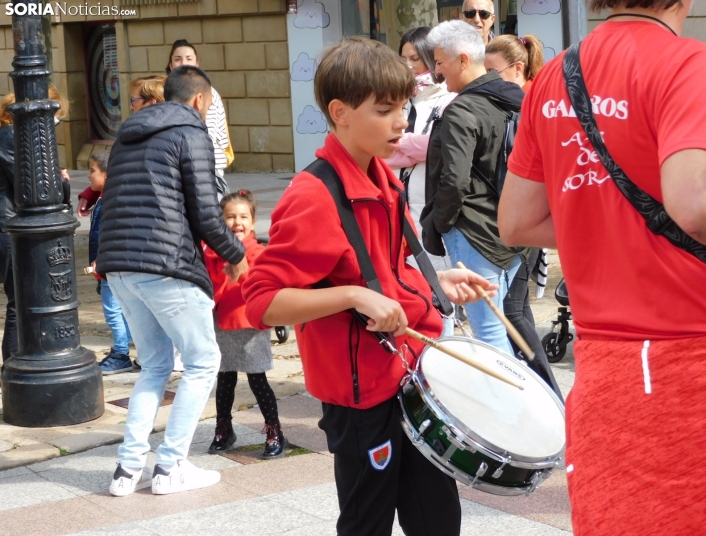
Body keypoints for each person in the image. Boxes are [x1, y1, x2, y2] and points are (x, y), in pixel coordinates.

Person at [243, 36, 497, 536]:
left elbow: (381, 270)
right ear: (340, 113)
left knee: (438, 517)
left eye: (403, 107)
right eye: (385, 110)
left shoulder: (385, 177)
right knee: (367, 523)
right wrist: (353, 297)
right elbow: (262, 303)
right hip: (360, 400)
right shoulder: (314, 196)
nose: (402, 121)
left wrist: (436, 279)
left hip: (411, 376)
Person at [498, 0, 706, 531]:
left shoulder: (554, 75)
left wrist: (606, 226)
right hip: (692, 358)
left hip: (601, 366)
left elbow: (517, 222)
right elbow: (696, 205)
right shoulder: (690, 63)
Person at [97, 65, 248, 497]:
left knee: (156, 366)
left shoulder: (128, 132)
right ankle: (170, 466)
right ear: (200, 100)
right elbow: (205, 212)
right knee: (203, 362)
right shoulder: (191, 132)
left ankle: (127, 471)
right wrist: (236, 255)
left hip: (121, 266)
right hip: (166, 264)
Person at [420, 20, 525, 356]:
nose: (436, 72)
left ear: (463, 60)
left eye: (440, 62)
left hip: (475, 233)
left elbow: (454, 180)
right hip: (515, 230)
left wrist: (439, 223)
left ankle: (510, 407)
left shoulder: (464, 109)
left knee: (490, 334)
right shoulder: (515, 100)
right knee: (501, 326)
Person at [484, 33, 561, 398]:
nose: (485, 77)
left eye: (491, 70)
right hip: (524, 221)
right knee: (517, 308)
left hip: (523, 222)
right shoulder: (520, 99)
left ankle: (549, 397)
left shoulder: (529, 103)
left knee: (513, 309)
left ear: (517, 68)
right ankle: (540, 395)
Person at [204, 190, 286, 458]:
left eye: (243, 216)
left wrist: (241, 275)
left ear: (252, 222)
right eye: (230, 217)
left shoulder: (259, 252)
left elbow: (264, 286)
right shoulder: (212, 254)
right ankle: (223, 429)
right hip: (222, 324)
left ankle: (274, 431)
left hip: (249, 325)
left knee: (257, 380)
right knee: (224, 379)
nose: (237, 222)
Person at [0, 86, 70, 363]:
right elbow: (35, 188)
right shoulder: (12, 137)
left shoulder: (12, 135)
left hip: (12, 221)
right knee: (21, 300)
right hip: (11, 224)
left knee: (22, 300)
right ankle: (16, 366)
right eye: (55, 115)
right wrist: (62, 182)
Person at [384, 26, 455, 274]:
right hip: (393, 204)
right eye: (403, 59)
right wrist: (417, 146)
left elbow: (442, 145)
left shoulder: (448, 99)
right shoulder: (397, 100)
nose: (408, 66)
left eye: (415, 59)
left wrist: (400, 142)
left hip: (430, 208)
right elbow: (381, 149)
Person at [78, 76, 166, 218]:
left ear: (151, 103)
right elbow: (118, 174)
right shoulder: (131, 134)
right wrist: (93, 192)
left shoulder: (171, 137)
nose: (131, 107)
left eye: (134, 101)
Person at [85, 151, 136, 375]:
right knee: (123, 310)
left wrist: (100, 261)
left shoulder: (110, 202)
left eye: (92, 170)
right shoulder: (110, 197)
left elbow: (109, 235)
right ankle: (128, 347)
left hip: (108, 266)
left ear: (106, 175)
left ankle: (120, 353)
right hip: (110, 265)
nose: (88, 175)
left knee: (113, 311)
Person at [166, 39, 231, 197]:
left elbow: (214, 135)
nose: (184, 63)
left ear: (197, 63)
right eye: (178, 59)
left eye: (189, 59)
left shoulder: (209, 92)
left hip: (206, 168)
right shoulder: (165, 90)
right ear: (170, 65)